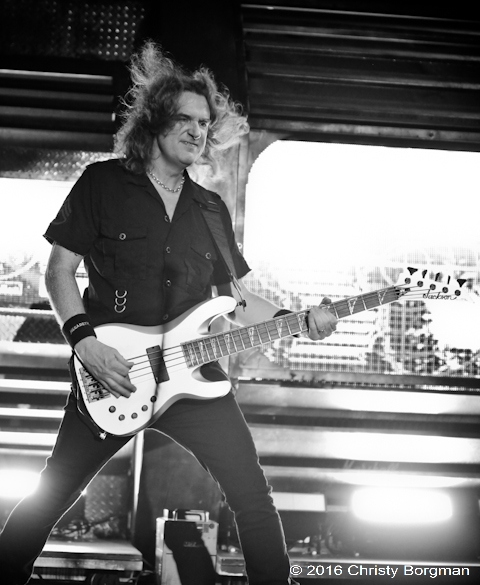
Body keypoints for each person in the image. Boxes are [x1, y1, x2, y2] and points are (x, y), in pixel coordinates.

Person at [0, 41, 337, 585]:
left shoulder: (210, 209)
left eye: (204, 122)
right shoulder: (103, 185)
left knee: (252, 495)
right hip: (113, 372)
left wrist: (301, 319)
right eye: (184, 118)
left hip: (194, 376)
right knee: (54, 492)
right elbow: (59, 271)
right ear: (155, 120)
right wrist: (85, 344)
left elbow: (236, 300)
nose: (196, 131)